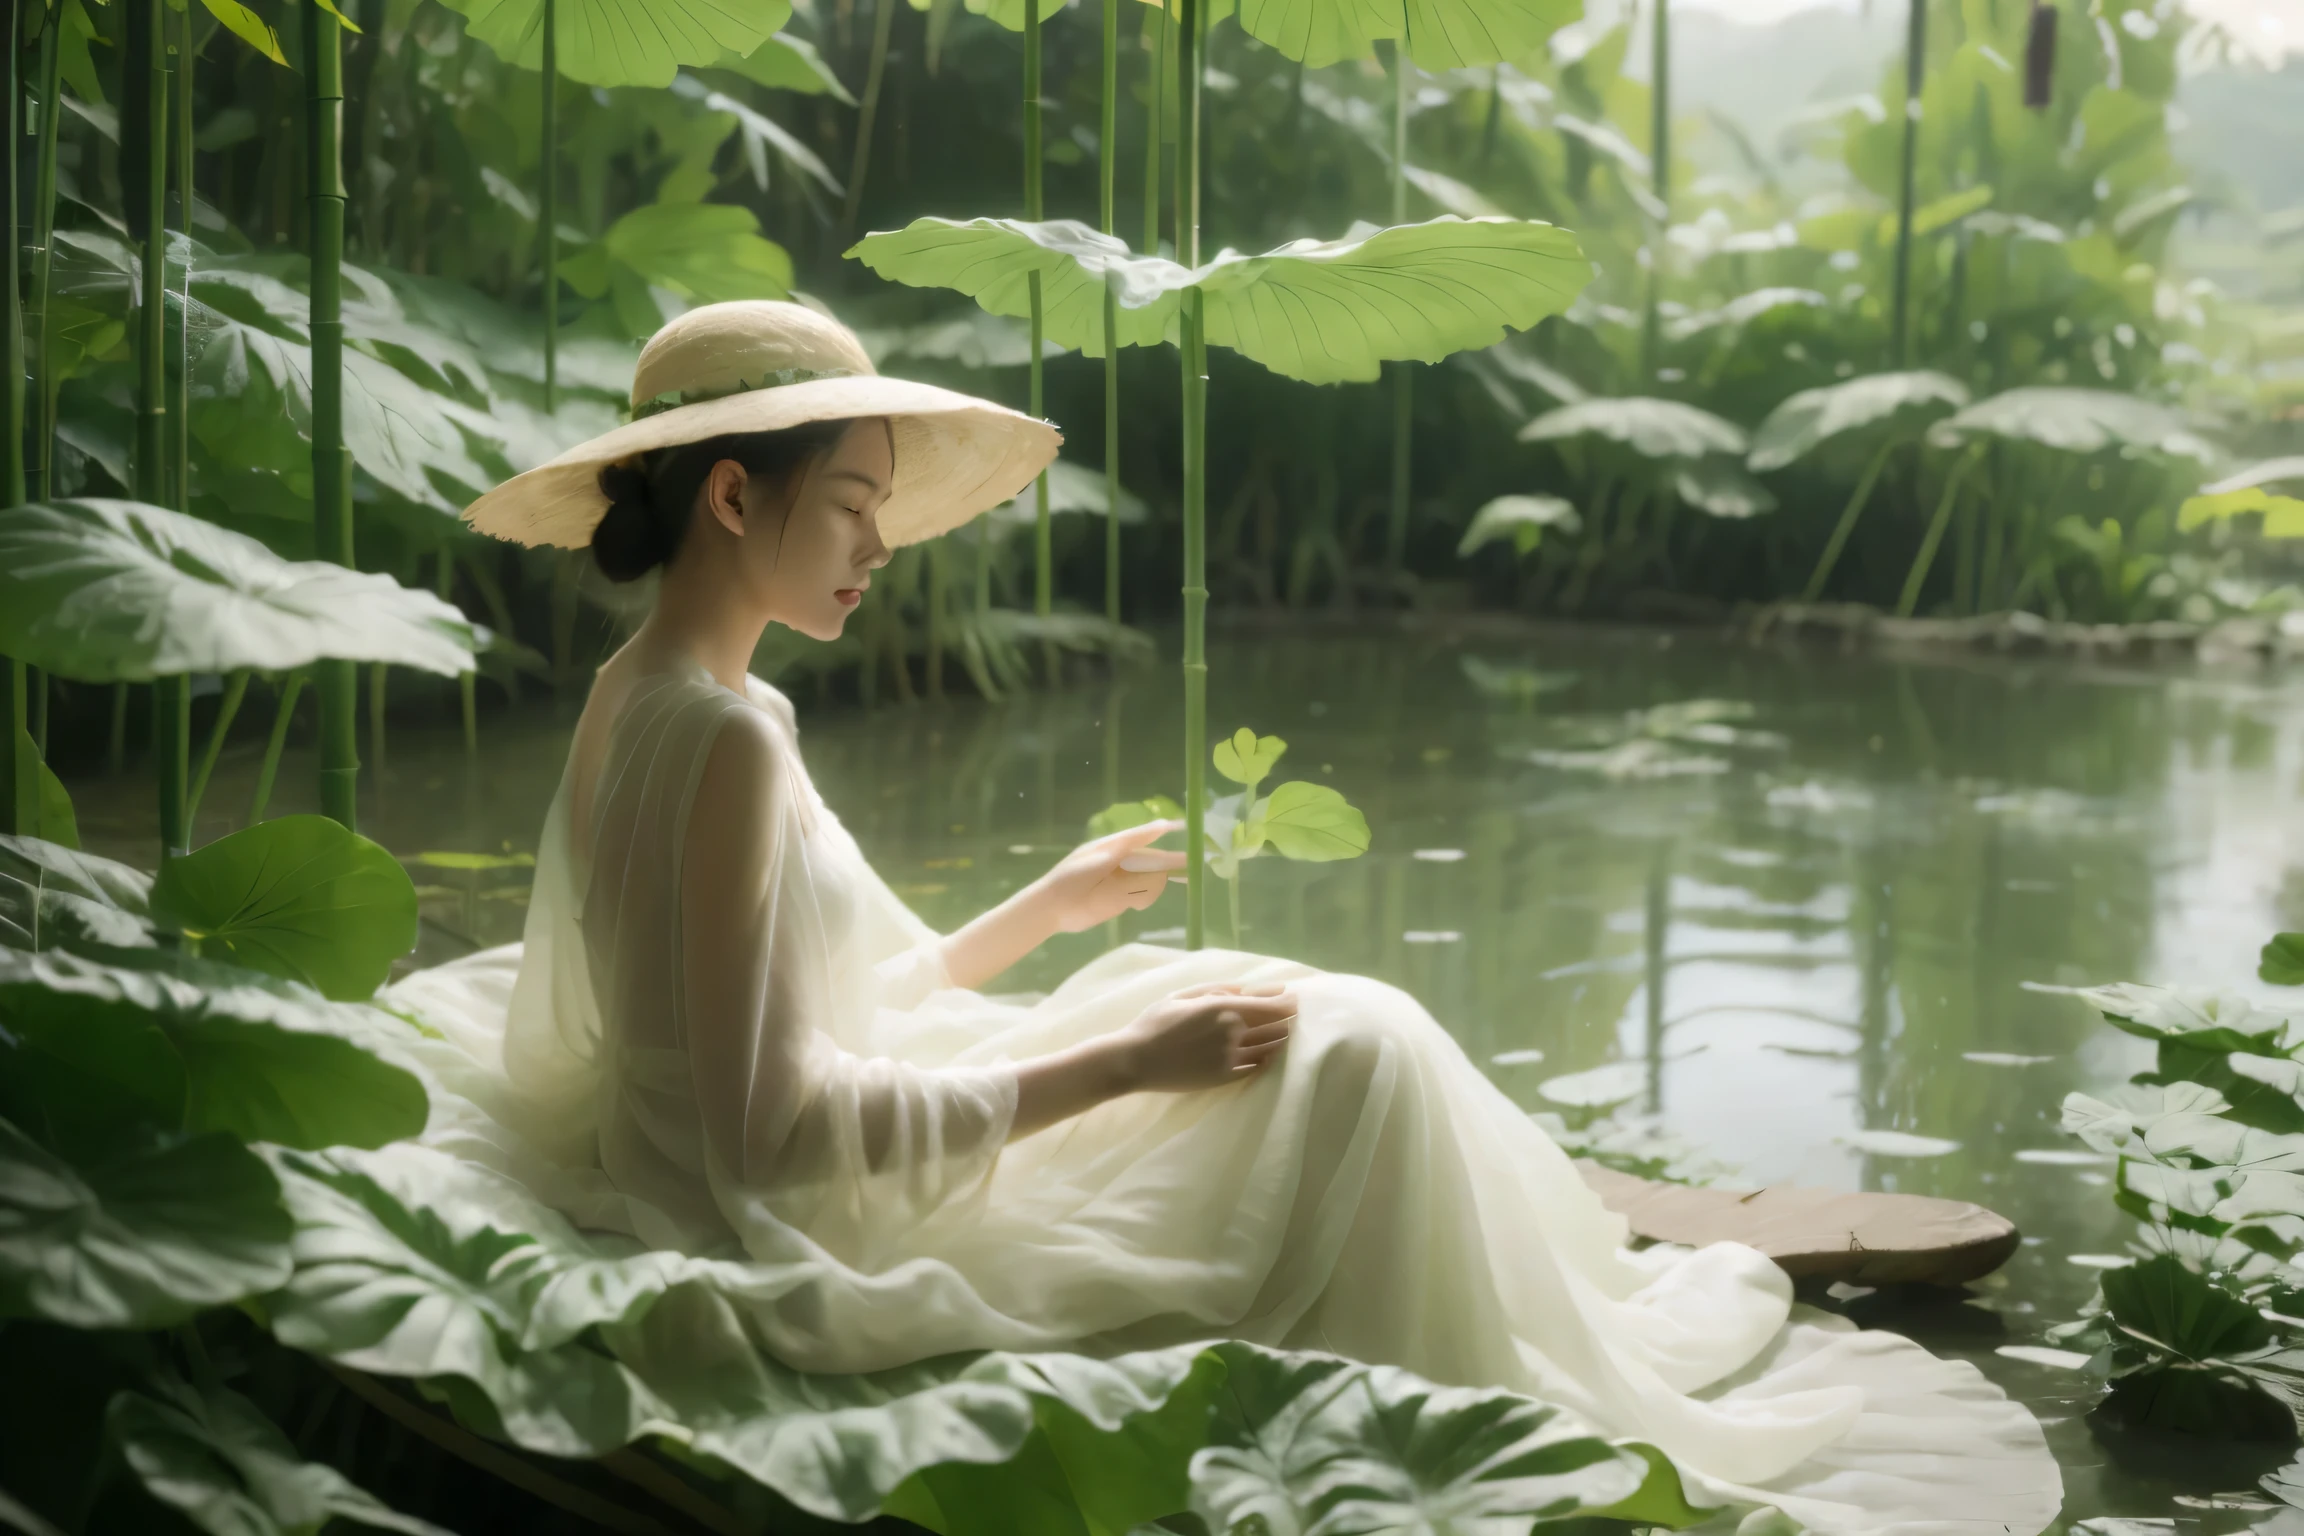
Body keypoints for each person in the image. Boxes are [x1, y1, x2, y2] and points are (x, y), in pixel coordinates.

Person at [401, 299, 2061, 1535]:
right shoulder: (730, 737)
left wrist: (1045, 913)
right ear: (737, 502)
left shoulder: (645, 696)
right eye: (852, 502)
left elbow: (785, 1006)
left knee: (1294, 1011)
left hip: (784, 1168)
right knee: (1347, 1056)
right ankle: (1527, 1356)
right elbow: (770, 1133)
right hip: (812, 1232)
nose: (881, 547)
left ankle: (1552, 1274)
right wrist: (1126, 1066)